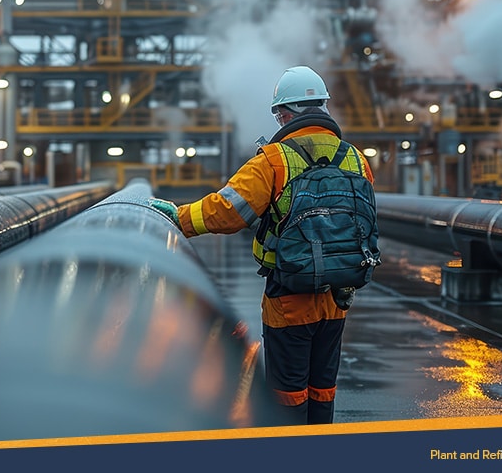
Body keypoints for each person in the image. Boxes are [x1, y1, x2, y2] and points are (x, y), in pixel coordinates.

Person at [148, 65, 375, 425]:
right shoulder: (356, 159)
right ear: (323, 107)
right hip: (338, 296)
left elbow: (229, 211)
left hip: (288, 296)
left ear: (286, 113)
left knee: (287, 394)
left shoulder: (274, 159)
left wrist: (178, 218)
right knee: (323, 389)